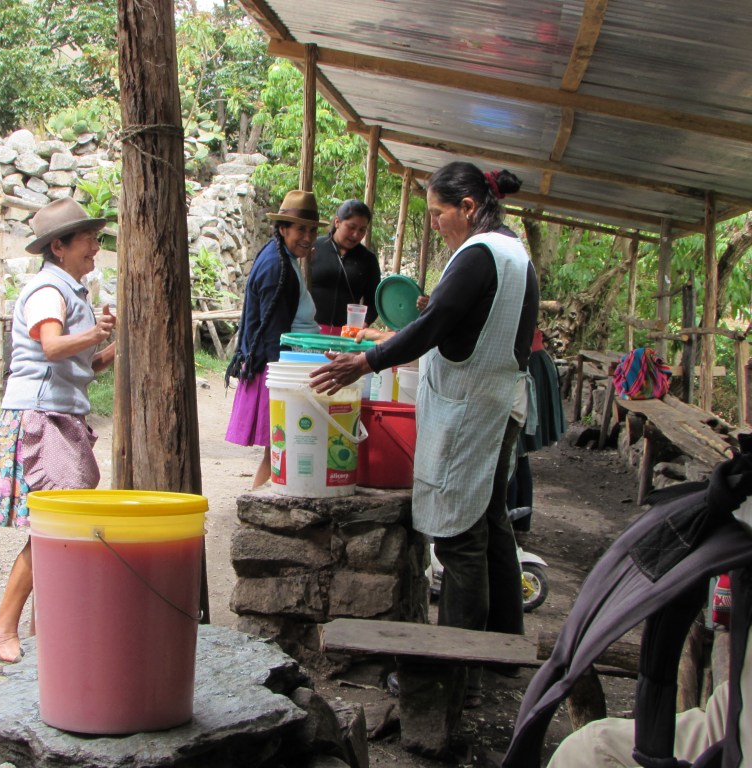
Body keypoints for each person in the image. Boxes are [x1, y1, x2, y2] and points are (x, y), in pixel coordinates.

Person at [310, 162, 539, 708]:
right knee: (489, 521)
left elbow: (434, 328)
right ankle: (504, 649)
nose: (434, 222)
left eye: (438, 212)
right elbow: (458, 319)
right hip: (499, 403)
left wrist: (365, 362)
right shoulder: (513, 253)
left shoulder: (480, 254)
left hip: (472, 411)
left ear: (466, 207)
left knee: (460, 538)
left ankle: (449, 672)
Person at [0, 197, 116, 663]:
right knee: (55, 528)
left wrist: (111, 343)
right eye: (88, 240)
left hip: (58, 414)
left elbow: (83, 365)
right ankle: (3, 630)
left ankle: (41, 631)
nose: (95, 247)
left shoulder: (70, 291)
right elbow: (54, 347)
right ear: (59, 246)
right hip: (39, 417)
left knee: (58, 527)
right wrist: (96, 333)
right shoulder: (46, 292)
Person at [225, 189, 327, 488]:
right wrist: (284, 379)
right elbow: (272, 332)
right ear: (283, 229)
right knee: (279, 447)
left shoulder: (283, 257)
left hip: (281, 364)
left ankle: (262, 501)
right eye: (300, 230)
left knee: (279, 449)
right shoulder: (276, 267)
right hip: (276, 368)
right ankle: (256, 506)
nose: (307, 237)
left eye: (311, 230)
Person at [507, 327, 566, 533]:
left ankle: (509, 524)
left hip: (527, 366)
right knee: (517, 452)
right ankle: (518, 524)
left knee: (510, 450)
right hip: (530, 362)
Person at [310, 200, 382, 336]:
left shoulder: (368, 259)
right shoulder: (314, 248)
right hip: (309, 331)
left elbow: (374, 301)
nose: (356, 235)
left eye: (362, 230)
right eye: (351, 227)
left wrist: (363, 324)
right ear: (337, 222)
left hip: (346, 336)